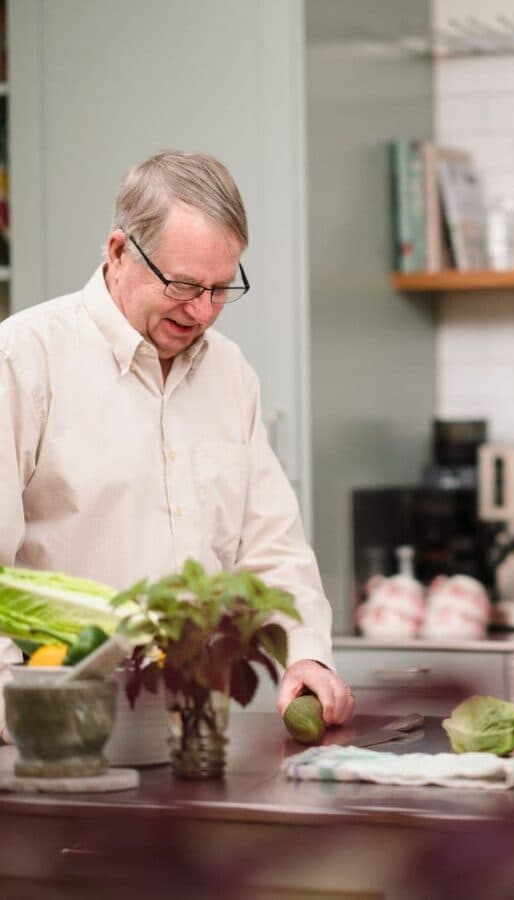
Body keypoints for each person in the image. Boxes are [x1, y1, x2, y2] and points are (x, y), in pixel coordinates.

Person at [0, 151, 355, 729]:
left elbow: (271, 546)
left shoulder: (231, 373)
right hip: (58, 726)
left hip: (200, 722)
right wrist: (22, 718)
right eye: (184, 284)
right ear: (118, 252)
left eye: (220, 289)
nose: (201, 311)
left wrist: (305, 652)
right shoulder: (23, 360)